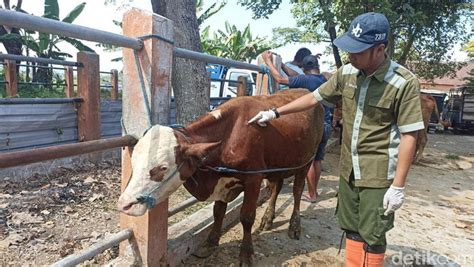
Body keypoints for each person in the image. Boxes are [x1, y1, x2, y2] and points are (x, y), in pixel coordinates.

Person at [249, 12, 424, 267]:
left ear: (379, 49)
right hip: (349, 168)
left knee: (373, 233)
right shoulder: (347, 74)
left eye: (358, 51)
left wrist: (398, 186)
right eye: (349, 50)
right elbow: (314, 97)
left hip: (377, 173)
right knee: (350, 226)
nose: (351, 56)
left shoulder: (403, 82)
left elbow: (410, 134)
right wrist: (275, 112)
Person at [261, 51, 332, 203]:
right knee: (317, 159)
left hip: (314, 124)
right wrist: (284, 66)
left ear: (304, 69)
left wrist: (268, 62)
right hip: (326, 123)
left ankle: (311, 194)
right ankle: (314, 192)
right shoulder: (322, 79)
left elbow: (280, 79)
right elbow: (295, 76)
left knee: (309, 160)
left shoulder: (306, 81)